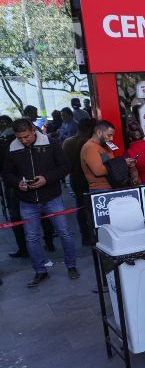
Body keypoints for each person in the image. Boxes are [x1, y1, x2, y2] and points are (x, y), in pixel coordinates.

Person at [3, 119, 80, 287]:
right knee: (32, 237)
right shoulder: (11, 148)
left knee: (65, 233)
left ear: (33, 130)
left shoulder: (51, 144)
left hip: (52, 197)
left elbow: (65, 167)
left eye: (26, 136)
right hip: (27, 201)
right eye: (19, 138)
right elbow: (7, 174)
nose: (23, 140)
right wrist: (18, 184)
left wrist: (47, 179)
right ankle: (40, 271)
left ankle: (71, 265)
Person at [62, 119, 96, 245]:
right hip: (90, 178)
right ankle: (94, 234)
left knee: (81, 207)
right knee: (94, 207)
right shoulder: (89, 143)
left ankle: (85, 236)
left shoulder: (67, 142)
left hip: (75, 178)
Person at [81, 120, 138, 192]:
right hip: (101, 189)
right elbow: (98, 171)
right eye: (109, 135)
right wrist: (123, 163)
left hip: (113, 186)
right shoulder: (90, 147)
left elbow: (112, 164)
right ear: (99, 133)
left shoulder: (106, 146)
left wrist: (127, 163)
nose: (112, 139)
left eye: (112, 135)